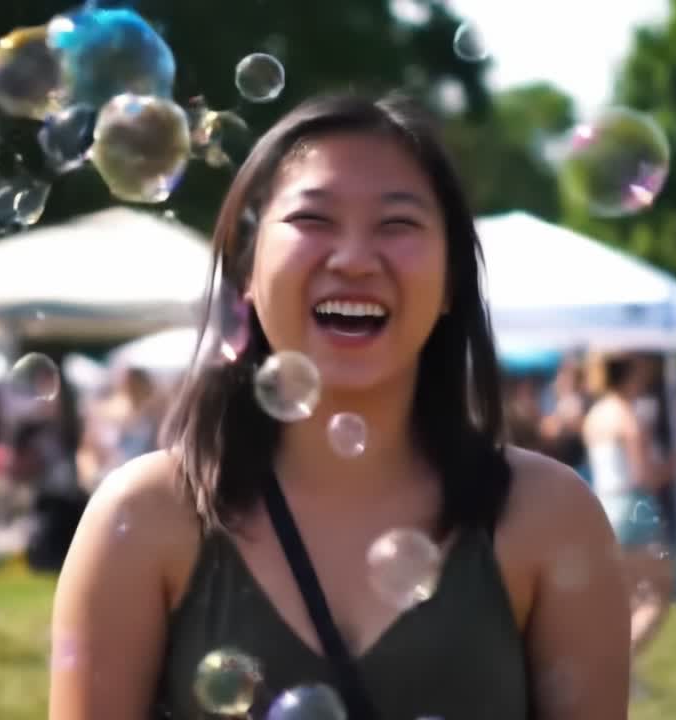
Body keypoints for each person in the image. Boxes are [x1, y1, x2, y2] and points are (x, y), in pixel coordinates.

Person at [50, 92, 629, 720]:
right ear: (247, 268)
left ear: (451, 282)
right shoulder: (142, 518)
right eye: (314, 221)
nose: (353, 260)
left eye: (398, 225)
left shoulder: (550, 517)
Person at [582, 353, 676, 680]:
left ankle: (620, 673)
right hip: (633, 509)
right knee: (657, 596)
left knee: (624, 600)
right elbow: (646, 475)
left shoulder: (596, 414)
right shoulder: (628, 417)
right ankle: (616, 670)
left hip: (603, 506)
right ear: (631, 373)